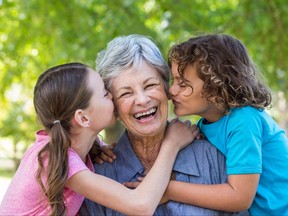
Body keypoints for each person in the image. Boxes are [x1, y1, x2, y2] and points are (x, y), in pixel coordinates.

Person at [79, 35, 248, 215]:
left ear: (167, 89)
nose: (143, 100)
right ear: (113, 107)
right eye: (126, 93)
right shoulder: (97, 176)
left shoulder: (214, 156)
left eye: (150, 85)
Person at [0, 63, 198, 215]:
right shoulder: (53, 158)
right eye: (105, 93)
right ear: (83, 118)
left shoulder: (70, 150)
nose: (113, 96)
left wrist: (96, 147)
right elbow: (140, 206)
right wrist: (172, 144)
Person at [166, 34, 288, 215]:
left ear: (216, 86)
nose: (171, 90)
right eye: (173, 81)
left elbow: (239, 198)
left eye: (182, 84)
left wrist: (168, 190)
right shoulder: (206, 124)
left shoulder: (244, 120)